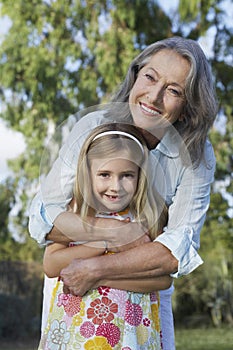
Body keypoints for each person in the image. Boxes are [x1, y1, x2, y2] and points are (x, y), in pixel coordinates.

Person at [29, 36, 218, 350]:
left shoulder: (196, 155)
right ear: (135, 76)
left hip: (140, 305)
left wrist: (97, 270)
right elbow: (43, 219)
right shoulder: (94, 127)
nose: (153, 97)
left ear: (187, 107)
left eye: (174, 91)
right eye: (150, 77)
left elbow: (171, 254)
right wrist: (115, 233)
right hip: (73, 297)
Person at [38, 122, 171, 349]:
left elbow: (162, 279)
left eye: (126, 175)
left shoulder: (146, 217)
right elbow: (51, 264)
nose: (115, 186)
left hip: (131, 330)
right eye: (105, 174)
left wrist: (98, 277)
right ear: (87, 174)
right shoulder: (76, 212)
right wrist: (106, 241)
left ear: (140, 176)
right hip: (77, 331)